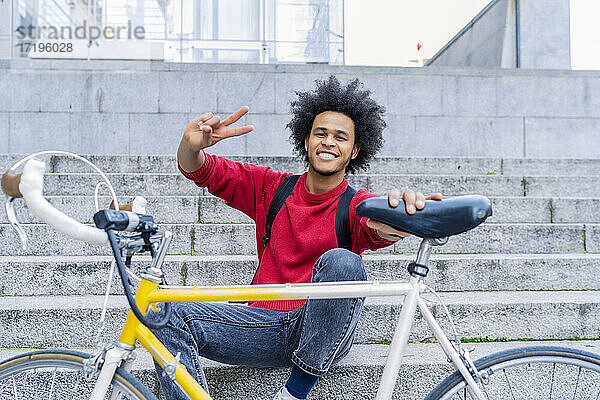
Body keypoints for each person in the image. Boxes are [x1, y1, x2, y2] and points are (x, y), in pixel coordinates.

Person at [150, 76, 442, 400]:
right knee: (164, 311)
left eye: (340, 137)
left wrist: (403, 217)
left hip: (321, 328)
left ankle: (295, 392)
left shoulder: (358, 205)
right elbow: (203, 170)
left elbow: (381, 228)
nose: (329, 142)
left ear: (354, 150)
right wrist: (190, 147)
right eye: (321, 133)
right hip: (264, 324)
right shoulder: (271, 188)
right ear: (306, 141)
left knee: (343, 261)